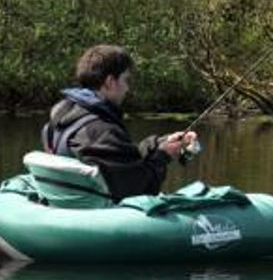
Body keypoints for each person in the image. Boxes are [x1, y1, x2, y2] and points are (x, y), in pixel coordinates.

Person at [41, 44, 198, 202]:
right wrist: (163, 156)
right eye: (126, 80)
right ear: (110, 82)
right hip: (95, 216)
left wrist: (157, 144)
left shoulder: (63, 112)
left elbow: (117, 156)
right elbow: (139, 188)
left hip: (67, 202)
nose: (127, 89)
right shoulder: (100, 130)